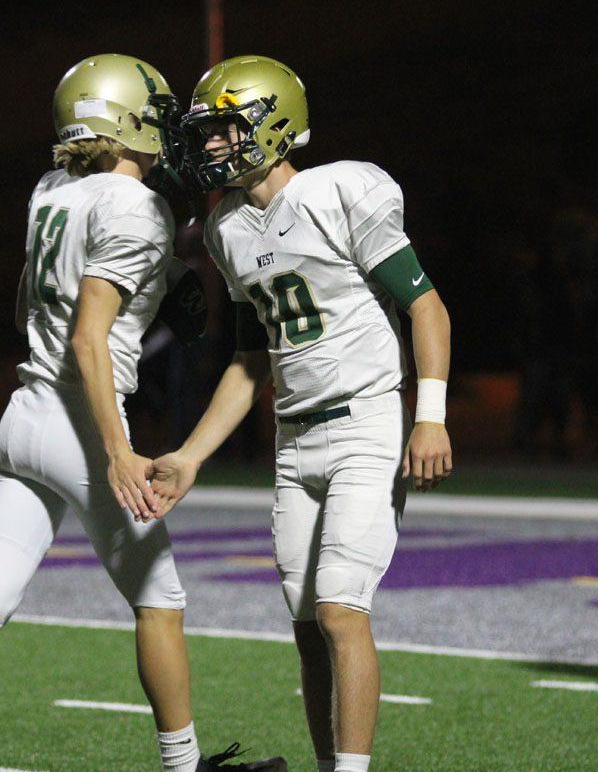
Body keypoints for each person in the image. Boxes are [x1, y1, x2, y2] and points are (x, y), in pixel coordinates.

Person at [0, 54, 282, 772]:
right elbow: (89, 335)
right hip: (77, 424)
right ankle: (184, 767)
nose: (168, 132)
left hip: (23, 414)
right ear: (127, 120)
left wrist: (162, 281)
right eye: (155, 116)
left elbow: (32, 300)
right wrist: (117, 447)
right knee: (161, 599)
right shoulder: (136, 206)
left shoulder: (52, 187)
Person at [151, 55, 453, 772]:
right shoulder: (227, 228)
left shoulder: (339, 192)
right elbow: (252, 359)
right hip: (295, 439)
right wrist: (191, 454)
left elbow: (425, 305)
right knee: (308, 626)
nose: (214, 144)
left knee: (343, 609)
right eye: (209, 132)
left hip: (366, 423)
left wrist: (431, 413)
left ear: (272, 123)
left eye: (226, 128)